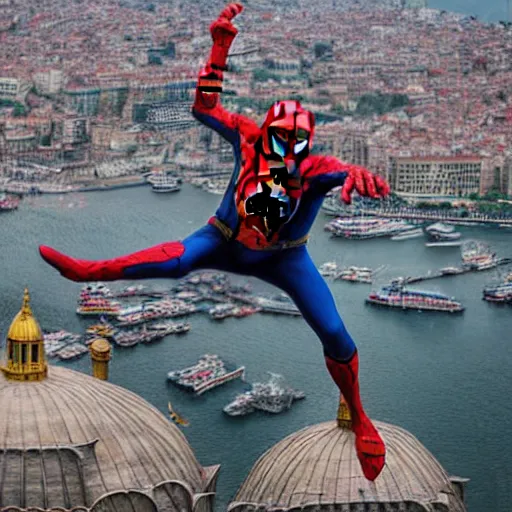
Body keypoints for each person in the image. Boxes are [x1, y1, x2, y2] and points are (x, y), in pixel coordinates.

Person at [39, 3, 389, 480]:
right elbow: (204, 108)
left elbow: (338, 170)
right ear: (265, 132)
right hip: (222, 238)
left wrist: (357, 175)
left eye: (297, 145)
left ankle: (359, 414)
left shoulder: (312, 169)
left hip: (282, 258)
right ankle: (88, 271)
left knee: (333, 332)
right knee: (176, 260)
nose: (287, 154)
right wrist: (219, 47)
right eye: (280, 141)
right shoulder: (247, 139)